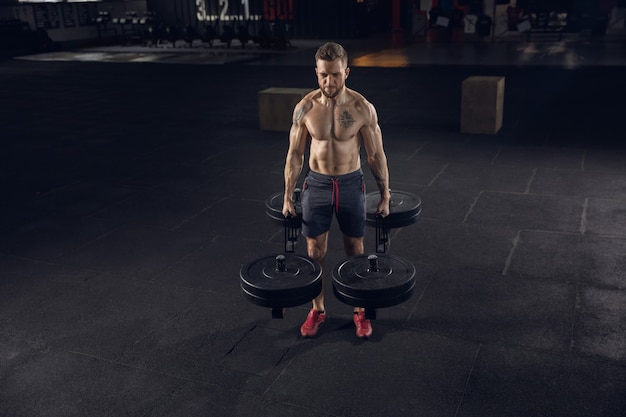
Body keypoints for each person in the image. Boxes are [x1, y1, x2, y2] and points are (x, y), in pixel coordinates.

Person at [282, 42, 391, 339]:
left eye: (335, 75)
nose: (329, 82)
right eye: (323, 76)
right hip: (315, 184)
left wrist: (385, 195)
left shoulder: (361, 108)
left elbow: (375, 155)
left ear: (347, 72)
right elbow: (294, 155)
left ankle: (359, 310)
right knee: (314, 251)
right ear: (316, 73)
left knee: (355, 249)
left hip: (349, 184)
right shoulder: (305, 108)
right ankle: (317, 309)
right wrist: (287, 195)